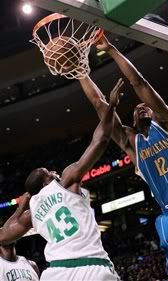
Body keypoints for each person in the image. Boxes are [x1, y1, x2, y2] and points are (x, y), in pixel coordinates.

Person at [79, 35, 168, 281]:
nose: (142, 107)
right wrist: (80, 71)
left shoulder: (167, 126)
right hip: (166, 218)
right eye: (136, 110)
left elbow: (139, 82)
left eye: (146, 107)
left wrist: (110, 49)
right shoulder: (132, 146)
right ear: (132, 124)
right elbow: (98, 103)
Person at [0, 78, 124, 281]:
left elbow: (3, 236)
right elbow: (100, 140)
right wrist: (111, 106)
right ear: (46, 181)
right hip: (91, 267)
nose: (54, 172)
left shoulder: (31, 213)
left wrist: (20, 207)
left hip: (56, 273)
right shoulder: (65, 182)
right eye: (49, 172)